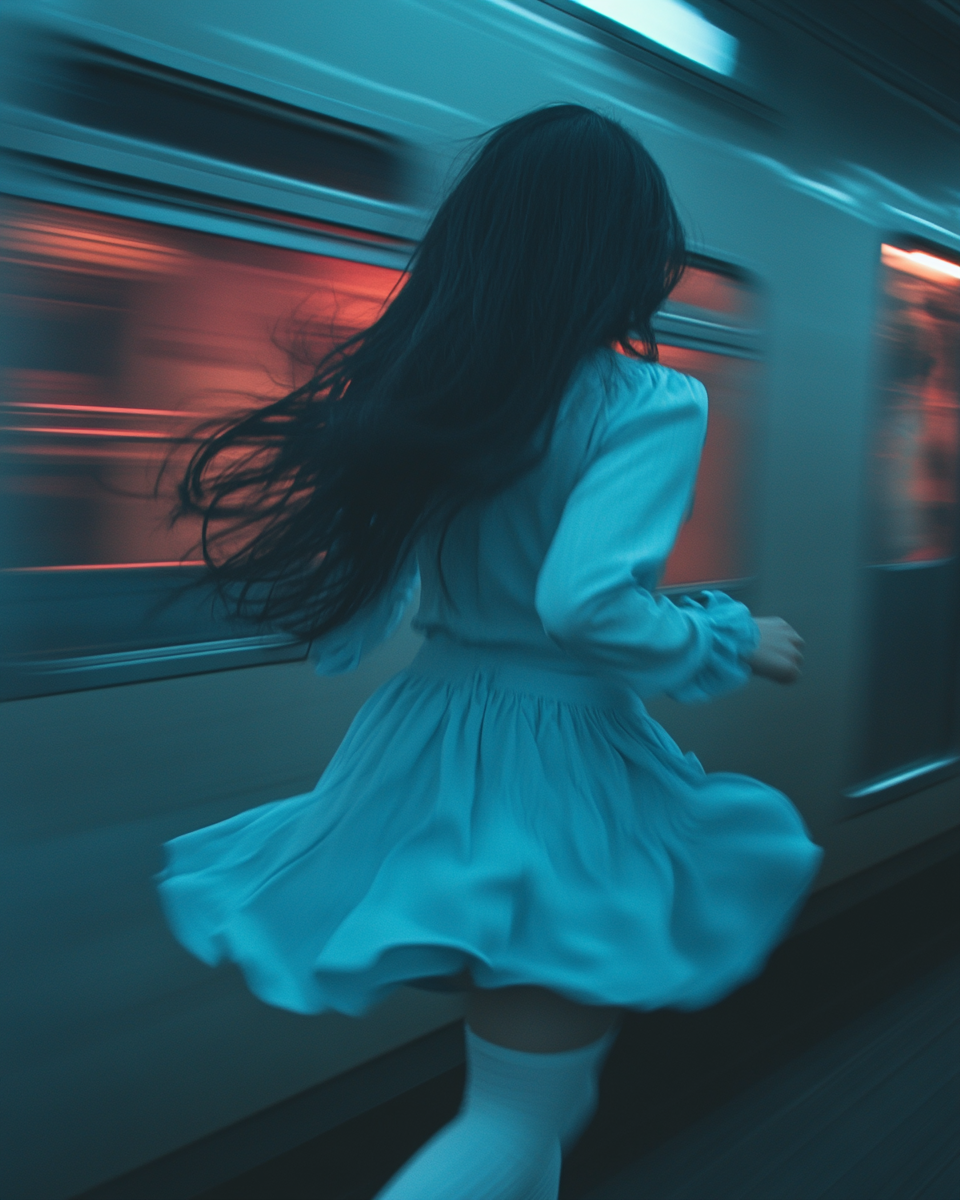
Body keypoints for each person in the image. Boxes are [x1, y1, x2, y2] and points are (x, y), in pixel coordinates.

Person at [157, 104, 820, 1200]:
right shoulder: (649, 399)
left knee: (536, 1102)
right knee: (520, 1112)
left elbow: (374, 603)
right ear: (621, 250)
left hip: (424, 746)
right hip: (554, 768)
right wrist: (731, 638)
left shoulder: (447, 390)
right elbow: (584, 605)